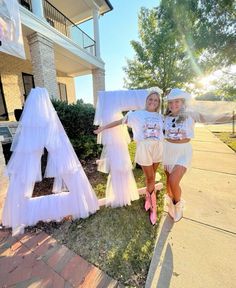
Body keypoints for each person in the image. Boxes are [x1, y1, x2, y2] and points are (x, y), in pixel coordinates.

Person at [163, 88, 233, 222]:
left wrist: (231, 116)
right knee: (168, 180)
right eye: (170, 103)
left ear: (183, 102)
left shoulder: (191, 115)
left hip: (183, 152)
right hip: (168, 150)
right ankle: (171, 202)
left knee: (173, 180)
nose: (173, 105)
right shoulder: (166, 117)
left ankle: (178, 205)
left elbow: (211, 117)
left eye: (176, 102)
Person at [94, 91, 164, 225]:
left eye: (156, 100)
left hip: (158, 148)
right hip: (144, 148)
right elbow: (119, 122)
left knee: (153, 176)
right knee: (150, 178)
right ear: (146, 100)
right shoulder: (136, 114)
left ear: (158, 103)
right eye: (151, 99)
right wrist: (102, 128)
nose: (153, 102)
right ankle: (153, 207)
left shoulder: (160, 116)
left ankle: (149, 196)